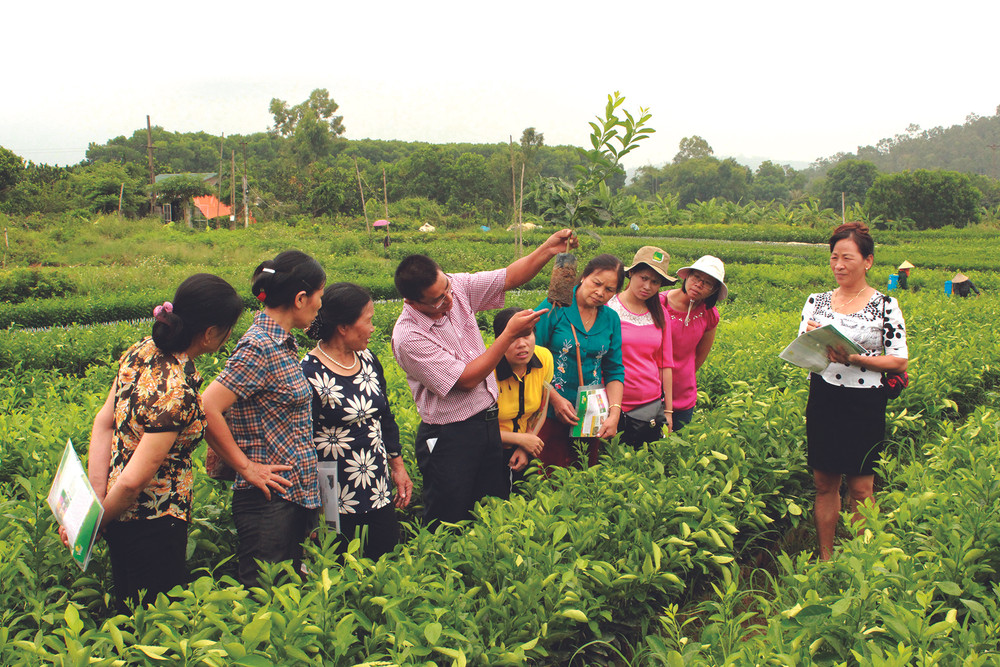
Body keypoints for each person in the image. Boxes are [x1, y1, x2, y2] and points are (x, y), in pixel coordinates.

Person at [61, 274, 244, 613]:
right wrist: (93, 526)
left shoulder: (142, 350)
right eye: (229, 328)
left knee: (129, 612)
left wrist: (95, 505)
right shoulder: (175, 390)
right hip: (154, 523)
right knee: (155, 623)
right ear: (209, 333)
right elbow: (134, 482)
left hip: (115, 511)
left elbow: (104, 423)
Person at [391, 229, 574, 526]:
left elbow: (510, 277)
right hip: (450, 435)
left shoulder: (456, 287)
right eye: (438, 300)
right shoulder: (409, 337)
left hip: (487, 423)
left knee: (491, 507)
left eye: (448, 288)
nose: (450, 300)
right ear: (412, 303)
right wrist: (508, 335)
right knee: (449, 515)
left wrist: (549, 249)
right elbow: (465, 380)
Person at [201, 250, 326, 587]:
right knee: (266, 600)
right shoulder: (259, 346)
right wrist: (246, 467)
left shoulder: (281, 343)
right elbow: (206, 406)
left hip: (291, 496)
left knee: (288, 600)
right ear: (301, 299)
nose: (319, 305)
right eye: (318, 296)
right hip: (269, 503)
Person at [799, 222, 908, 560]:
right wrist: (812, 340)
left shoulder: (886, 306)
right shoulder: (816, 302)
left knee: (861, 487)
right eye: (834, 258)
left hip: (864, 403)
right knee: (824, 482)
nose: (839, 265)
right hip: (825, 397)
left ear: (868, 261)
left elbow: (899, 361)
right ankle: (827, 558)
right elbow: (804, 353)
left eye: (847, 258)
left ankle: (862, 560)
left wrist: (855, 357)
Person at [301, 283, 413, 560]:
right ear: (343, 327)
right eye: (369, 320)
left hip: (376, 485)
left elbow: (385, 416)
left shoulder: (367, 360)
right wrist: (309, 506)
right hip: (333, 492)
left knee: (385, 558)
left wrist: (397, 466)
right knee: (341, 564)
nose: (373, 328)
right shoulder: (309, 371)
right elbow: (302, 440)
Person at [535, 254, 626, 468]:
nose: (600, 293)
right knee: (544, 473)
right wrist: (555, 400)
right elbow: (532, 360)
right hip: (547, 412)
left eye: (609, 290)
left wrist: (614, 413)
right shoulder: (554, 307)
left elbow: (614, 369)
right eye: (597, 283)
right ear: (584, 276)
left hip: (590, 416)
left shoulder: (611, 319)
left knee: (581, 472)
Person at [606, 246, 676, 447]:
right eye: (643, 278)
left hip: (649, 405)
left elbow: (665, 364)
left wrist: (668, 411)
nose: (648, 286)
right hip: (613, 404)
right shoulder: (609, 308)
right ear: (631, 274)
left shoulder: (660, 314)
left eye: (655, 282)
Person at [662, 255, 727, 432]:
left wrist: (683, 374)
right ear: (687, 277)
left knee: (674, 450)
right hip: (652, 391)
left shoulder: (709, 314)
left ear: (714, 291)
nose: (699, 284)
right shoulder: (660, 303)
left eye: (707, 283)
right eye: (696, 277)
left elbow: (700, 356)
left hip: (683, 395)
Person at [492, 307, 554, 491]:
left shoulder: (544, 358)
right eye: (513, 337)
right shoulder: (487, 371)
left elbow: (541, 409)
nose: (522, 344)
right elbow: (476, 430)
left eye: (527, 335)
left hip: (525, 445)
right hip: (489, 449)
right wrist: (521, 440)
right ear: (499, 341)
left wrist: (526, 445)